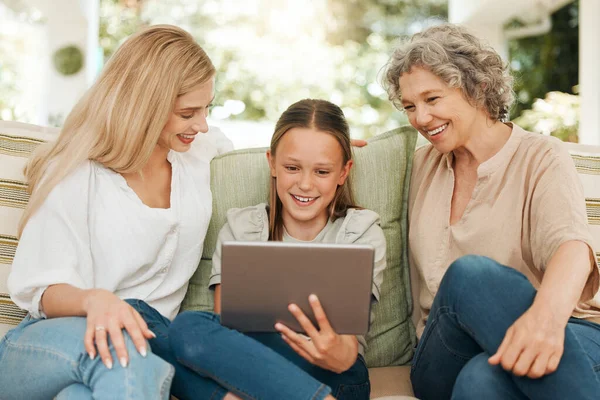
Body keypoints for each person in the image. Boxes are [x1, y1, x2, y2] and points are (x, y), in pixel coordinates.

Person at [0, 25, 234, 399]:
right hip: (46, 344)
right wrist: (96, 300)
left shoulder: (197, 152)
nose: (202, 124)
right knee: (126, 353)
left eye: (207, 108)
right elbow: (41, 290)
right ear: (146, 106)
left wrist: (324, 147)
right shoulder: (76, 173)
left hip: (140, 349)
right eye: (188, 112)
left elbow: (277, 154)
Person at [382, 24, 600, 399]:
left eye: (432, 99)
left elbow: (572, 246)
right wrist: (337, 148)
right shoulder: (419, 165)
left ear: (478, 87)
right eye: (409, 106)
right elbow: (329, 165)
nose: (419, 118)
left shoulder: (541, 155)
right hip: (443, 351)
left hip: (565, 329)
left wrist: (544, 320)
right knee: (470, 275)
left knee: (482, 380)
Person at [167, 99, 387, 400]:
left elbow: (346, 355)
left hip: (335, 375)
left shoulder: (361, 231)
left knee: (187, 331)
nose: (305, 184)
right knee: (168, 322)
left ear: (343, 172)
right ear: (272, 163)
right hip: (256, 367)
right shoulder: (241, 227)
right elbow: (228, 334)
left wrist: (333, 351)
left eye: (322, 172)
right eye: (292, 168)